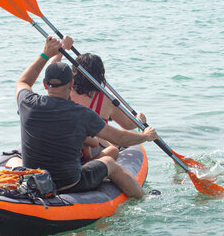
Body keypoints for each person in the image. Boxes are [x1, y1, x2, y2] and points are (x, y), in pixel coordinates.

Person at [12, 35, 158, 199]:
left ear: (45, 84)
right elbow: (120, 137)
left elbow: (23, 82)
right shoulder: (82, 114)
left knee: (14, 160)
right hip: (69, 183)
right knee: (110, 163)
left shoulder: (28, 103)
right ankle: (144, 197)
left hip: (34, 178)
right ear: (71, 84)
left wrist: (45, 54)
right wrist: (145, 136)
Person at [50, 48, 148, 161]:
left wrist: (61, 50)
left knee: (106, 139)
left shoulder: (65, 90)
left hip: (68, 145)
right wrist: (139, 120)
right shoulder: (105, 99)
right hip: (91, 148)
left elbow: (53, 68)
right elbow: (128, 125)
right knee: (113, 145)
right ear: (100, 75)